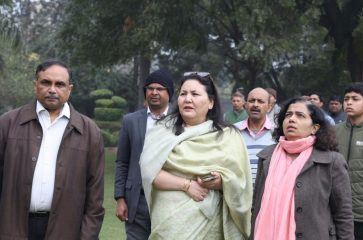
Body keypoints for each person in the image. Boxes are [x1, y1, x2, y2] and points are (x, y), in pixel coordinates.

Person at [0, 59, 105, 239]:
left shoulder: (89, 131)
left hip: (65, 229)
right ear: (35, 85)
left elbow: (94, 198)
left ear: (69, 89)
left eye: (60, 84)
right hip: (14, 227)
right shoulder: (8, 123)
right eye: (46, 82)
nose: (52, 89)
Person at [140, 72, 252, 239]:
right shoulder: (161, 131)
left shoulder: (228, 136)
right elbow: (149, 171)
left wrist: (221, 181)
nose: (187, 99)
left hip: (210, 223)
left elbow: (241, 182)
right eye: (183, 94)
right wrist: (186, 185)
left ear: (211, 102)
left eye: (195, 94)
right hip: (168, 222)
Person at [251, 97, 353, 240]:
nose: (292, 119)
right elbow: (256, 206)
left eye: (300, 115)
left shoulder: (332, 161)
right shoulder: (267, 157)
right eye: (288, 115)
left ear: (314, 128)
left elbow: (343, 214)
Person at [114, 69, 174, 239]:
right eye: (150, 88)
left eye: (160, 88)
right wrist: (120, 198)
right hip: (136, 200)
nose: (154, 92)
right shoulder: (131, 121)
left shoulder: (179, 121)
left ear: (169, 93)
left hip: (168, 199)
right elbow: (122, 162)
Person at [335, 82, 363, 240]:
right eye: (346, 98)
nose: (349, 102)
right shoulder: (333, 132)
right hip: (334, 212)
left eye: (355, 99)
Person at [235, 87, 275, 185]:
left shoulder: (277, 133)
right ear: (245, 105)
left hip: (267, 196)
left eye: (261, 101)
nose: (255, 105)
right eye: (252, 101)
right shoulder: (233, 131)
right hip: (239, 196)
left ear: (269, 107)